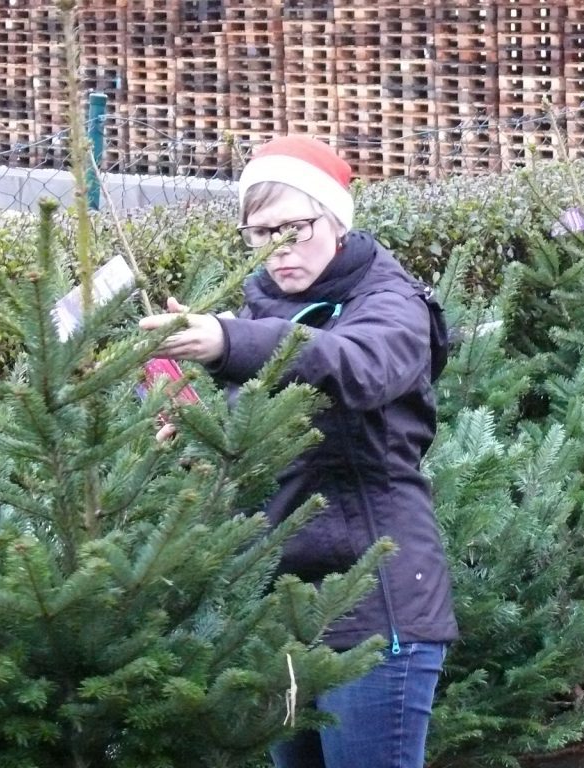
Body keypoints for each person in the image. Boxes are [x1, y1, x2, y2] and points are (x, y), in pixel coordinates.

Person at [139, 135, 458, 768]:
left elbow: (355, 367)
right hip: (280, 610)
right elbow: (263, 440)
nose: (279, 248)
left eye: (295, 226)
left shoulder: (391, 304)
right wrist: (197, 428)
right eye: (259, 233)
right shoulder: (263, 311)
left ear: (336, 220)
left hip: (376, 606)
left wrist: (231, 341)